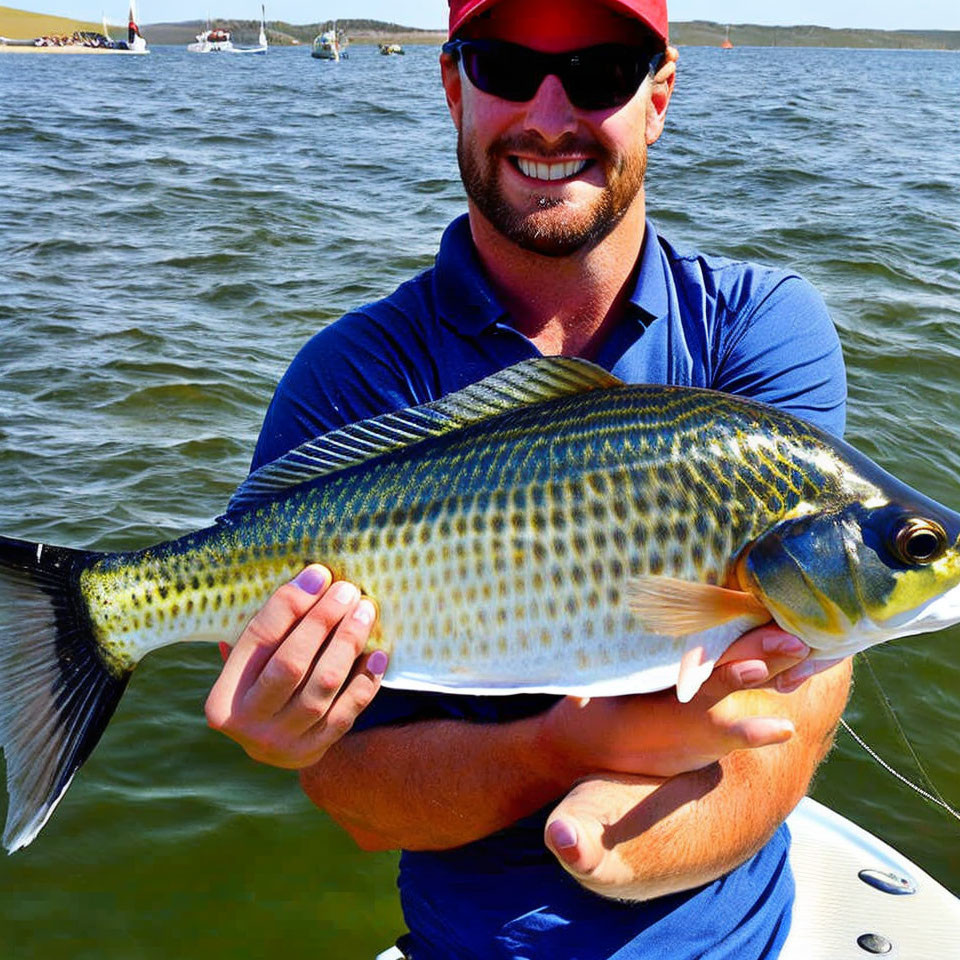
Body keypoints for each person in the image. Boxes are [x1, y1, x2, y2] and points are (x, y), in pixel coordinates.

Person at [204, 0, 853, 956]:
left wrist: (617, 842)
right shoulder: (348, 376)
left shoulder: (759, 330)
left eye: (599, 73)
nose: (550, 115)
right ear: (453, 85)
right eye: (508, 65)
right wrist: (564, 752)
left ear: (659, 96)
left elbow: (802, 678)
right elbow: (357, 797)